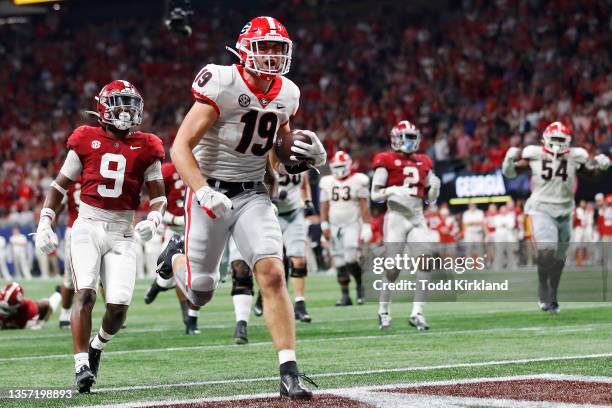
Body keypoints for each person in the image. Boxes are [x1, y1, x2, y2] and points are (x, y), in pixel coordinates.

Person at [166, 16, 325, 399]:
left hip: (253, 193)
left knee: (271, 273)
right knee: (201, 292)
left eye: (277, 48)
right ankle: (175, 257)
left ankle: (288, 371)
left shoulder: (288, 93)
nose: (271, 55)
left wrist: (313, 157)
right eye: (264, 46)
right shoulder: (222, 81)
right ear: (243, 50)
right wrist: (202, 191)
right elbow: (179, 147)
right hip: (210, 194)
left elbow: (278, 154)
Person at [33, 80, 166, 393]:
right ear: (105, 107)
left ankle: (97, 346)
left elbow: (159, 195)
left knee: (118, 306)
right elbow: (59, 186)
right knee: (86, 294)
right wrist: (45, 221)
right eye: (120, 103)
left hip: (123, 229)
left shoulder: (148, 145)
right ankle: (81, 365)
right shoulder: (85, 137)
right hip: (89, 223)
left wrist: (155, 216)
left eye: (132, 105)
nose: (127, 111)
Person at [502, 121, 609, 314]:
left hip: (566, 211)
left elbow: (592, 175)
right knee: (546, 252)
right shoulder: (535, 154)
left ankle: (553, 295)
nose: (558, 144)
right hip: (541, 209)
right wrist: (508, 161)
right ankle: (543, 289)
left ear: (568, 141)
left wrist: (602, 167)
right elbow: (510, 173)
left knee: (559, 259)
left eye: (562, 140)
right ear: (545, 139)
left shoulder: (576, 156)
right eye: (555, 139)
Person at [371, 120, 441, 331]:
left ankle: (417, 312)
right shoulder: (387, 159)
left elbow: (429, 200)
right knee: (393, 267)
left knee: (426, 259)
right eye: (406, 137)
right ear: (395, 139)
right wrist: (390, 191)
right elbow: (375, 195)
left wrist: (434, 191)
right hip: (397, 217)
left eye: (412, 137)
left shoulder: (424, 161)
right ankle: (383, 310)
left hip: (417, 217)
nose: (409, 142)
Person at [319, 151, 371, 306]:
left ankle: (361, 287)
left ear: (348, 165)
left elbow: (363, 205)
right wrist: (324, 225)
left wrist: (367, 225)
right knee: (340, 262)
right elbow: (324, 205)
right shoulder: (327, 182)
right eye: (337, 166)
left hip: (352, 224)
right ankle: (345, 296)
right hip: (334, 225)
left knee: (350, 256)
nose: (339, 169)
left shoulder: (358, 180)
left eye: (342, 166)